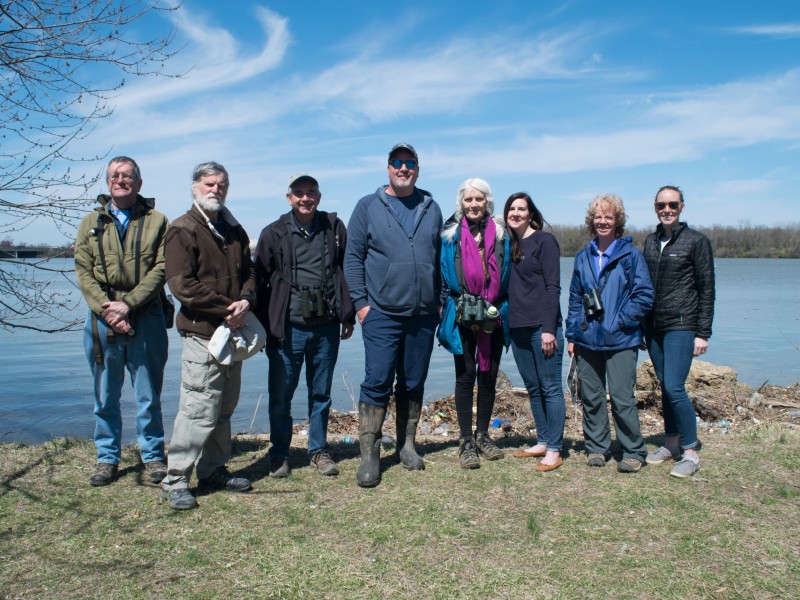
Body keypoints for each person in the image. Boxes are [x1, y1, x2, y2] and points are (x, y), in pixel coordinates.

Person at [344, 143, 443, 487]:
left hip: (423, 314)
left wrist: (440, 300)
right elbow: (353, 258)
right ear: (387, 168)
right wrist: (361, 304)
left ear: (418, 168)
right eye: (397, 163)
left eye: (410, 163)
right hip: (381, 312)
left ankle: (407, 445)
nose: (404, 168)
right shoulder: (368, 206)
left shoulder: (431, 207)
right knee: (378, 380)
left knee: (413, 381)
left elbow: (441, 257)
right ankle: (370, 455)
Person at [160, 162, 257, 510]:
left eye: (222, 184)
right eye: (209, 183)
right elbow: (181, 285)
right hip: (203, 335)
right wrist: (227, 307)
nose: (215, 189)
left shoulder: (233, 229)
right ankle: (175, 480)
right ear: (195, 187)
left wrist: (245, 300)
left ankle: (213, 469)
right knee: (198, 409)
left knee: (224, 409)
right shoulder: (182, 230)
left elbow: (250, 271)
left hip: (233, 334)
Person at [75, 156, 169, 487]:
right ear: (107, 182)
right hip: (102, 322)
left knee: (148, 394)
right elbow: (83, 272)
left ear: (139, 183)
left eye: (128, 176)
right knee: (105, 393)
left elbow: (161, 269)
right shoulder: (90, 223)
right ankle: (107, 458)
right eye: (115, 175)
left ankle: (154, 455)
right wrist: (108, 311)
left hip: (147, 317)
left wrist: (127, 305)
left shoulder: (158, 221)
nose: (121, 180)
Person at [253, 173, 355, 479]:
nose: (305, 198)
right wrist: (259, 328)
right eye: (298, 193)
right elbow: (258, 281)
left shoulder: (334, 228)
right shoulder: (273, 233)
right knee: (281, 394)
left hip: (325, 328)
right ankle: (280, 454)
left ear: (319, 197)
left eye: (311, 192)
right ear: (289, 198)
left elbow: (347, 270)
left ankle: (318, 450)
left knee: (321, 393)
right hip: (287, 328)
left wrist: (347, 315)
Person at [565, 194, 654, 473]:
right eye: (598, 217)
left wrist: (619, 322)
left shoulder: (631, 255)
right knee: (591, 396)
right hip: (587, 339)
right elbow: (575, 298)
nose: (603, 221)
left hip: (621, 339)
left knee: (621, 396)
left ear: (618, 222)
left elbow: (644, 295)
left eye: (609, 217)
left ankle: (633, 450)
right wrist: (572, 334)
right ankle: (597, 447)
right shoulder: (583, 256)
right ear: (592, 222)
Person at [643, 185, 715, 478]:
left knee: (674, 386)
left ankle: (690, 452)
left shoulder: (697, 242)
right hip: (653, 327)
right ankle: (670, 443)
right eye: (662, 205)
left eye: (673, 204)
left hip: (682, 325)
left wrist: (703, 332)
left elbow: (707, 289)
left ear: (682, 207)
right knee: (664, 385)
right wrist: (639, 327)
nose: (667, 209)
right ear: (655, 208)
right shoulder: (649, 241)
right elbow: (642, 286)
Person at [438, 178, 510, 469]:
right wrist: (443, 305)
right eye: (468, 200)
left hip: (494, 312)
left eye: (479, 199)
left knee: (489, 376)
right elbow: (441, 275)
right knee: (466, 376)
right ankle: (466, 440)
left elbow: (510, 272)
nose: (473, 205)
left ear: (487, 202)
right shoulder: (450, 236)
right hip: (462, 312)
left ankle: (483, 435)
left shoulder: (502, 234)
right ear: (461, 203)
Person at [504, 192, 565, 472]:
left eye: (521, 209)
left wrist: (549, 329)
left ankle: (554, 449)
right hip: (517, 328)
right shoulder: (509, 244)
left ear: (531, 213)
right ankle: (542, 440)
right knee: (533, 388)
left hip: (543, 328)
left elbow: (553, 287)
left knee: (551, 387)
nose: (516, 213)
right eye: (511, 209)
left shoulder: (545, 241)